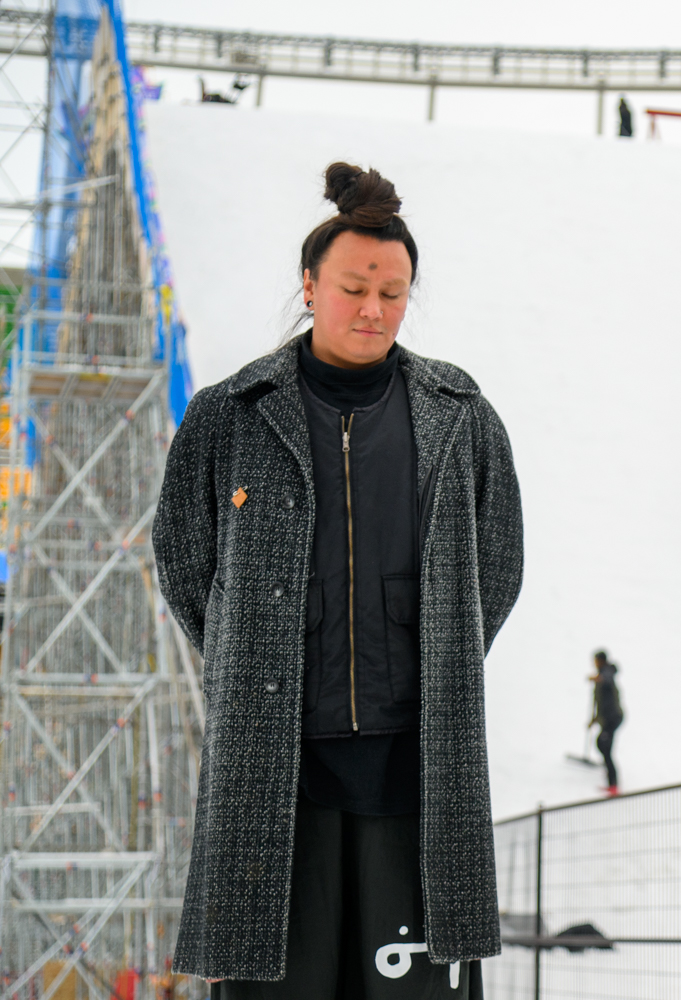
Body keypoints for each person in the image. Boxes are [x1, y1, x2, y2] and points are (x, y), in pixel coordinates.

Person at [154, 162, 524, 996]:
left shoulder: (459, 414)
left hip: (415, 764)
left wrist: (441, 652)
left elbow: (497, 566)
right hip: (275, 766)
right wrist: (250, 656)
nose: (373, 308)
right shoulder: (232, 412)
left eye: (393, 292)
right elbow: (184, 555)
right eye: (356, 287)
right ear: (311, 285)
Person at [589, 649, 625, 794]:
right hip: (608, 718)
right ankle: (610, 775)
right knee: (601, 744)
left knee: (606, 749)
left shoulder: (607, 672)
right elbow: (600, 702)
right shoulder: (601, 675)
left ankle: (614, 785)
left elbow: (608, 676)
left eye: (596, 660)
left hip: (613, 718)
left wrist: (599, 678)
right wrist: (595, 719)